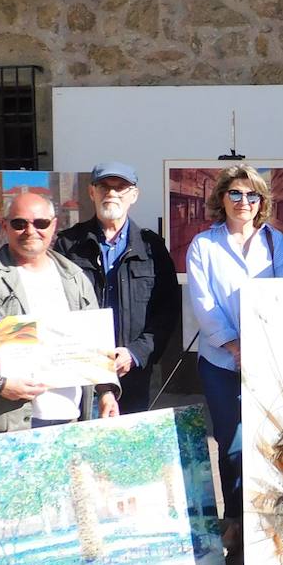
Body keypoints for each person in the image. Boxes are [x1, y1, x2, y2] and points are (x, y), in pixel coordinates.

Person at [0, 191, 120, 435]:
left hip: (70, 421)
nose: (30, 231)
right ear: (5, 226)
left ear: (54, 226)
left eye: (41, 223)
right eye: (19, 223)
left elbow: (95, 346)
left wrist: (106, 392)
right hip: (4, 425)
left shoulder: (74, 277)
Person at [186, 165, 283, 550]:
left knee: (272, 439)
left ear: (262, 202)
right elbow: (204, 303)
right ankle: (233, 522)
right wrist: (234, 346)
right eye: (235, 193)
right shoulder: (204, 245)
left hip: (268, 361)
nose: (243, 202)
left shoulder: (276, 243)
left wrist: (261, 349)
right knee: (231, 443)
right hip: (220, 362)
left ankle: (271, 521)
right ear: (222, 198)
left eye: (252, 195)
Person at [55, 162, 178, 414]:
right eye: (104, 187)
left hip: (132, 370)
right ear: (92, 192)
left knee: (128, 446)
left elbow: (167, 309)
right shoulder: (67, 245)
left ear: (134, 195)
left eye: (121, 187)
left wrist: (136, 353)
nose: (112, 194)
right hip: (79, 372)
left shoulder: (152, 248)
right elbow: (53, 305)